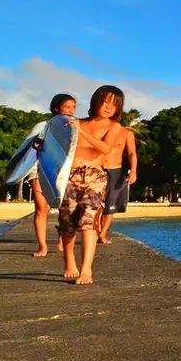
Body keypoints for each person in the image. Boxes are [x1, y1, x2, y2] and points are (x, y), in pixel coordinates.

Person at [60, 85, 126, 285]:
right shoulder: (75, 122)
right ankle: (69, 259)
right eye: (105, 102)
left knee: (89, 222)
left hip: (95, 177)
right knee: (67, 223)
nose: (108, 107)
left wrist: (83, 133)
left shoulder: (114, 127)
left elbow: (105, 148)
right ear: (96, 100)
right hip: (69, 176)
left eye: (114, 105)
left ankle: (86, 268)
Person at [29, 94, 77, 257]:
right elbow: (31, 148)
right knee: (41, 208)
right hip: (39, 166)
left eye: (73, 107)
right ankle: (42, 246)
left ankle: (61, 240)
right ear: (56, 107)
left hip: (65, 170)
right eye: (68, 106)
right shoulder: (43, 126)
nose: (71, 110)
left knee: (64, 209)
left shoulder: (76, 126)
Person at [95, 107, 138, 245]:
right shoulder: (98, 129)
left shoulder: (126, 133)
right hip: (97, 169)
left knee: (110, 206)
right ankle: (96, 231)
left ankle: (102, 234)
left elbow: (132, 153)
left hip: (116, 171)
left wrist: (134, 171)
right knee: (95, 205)